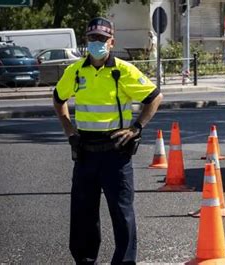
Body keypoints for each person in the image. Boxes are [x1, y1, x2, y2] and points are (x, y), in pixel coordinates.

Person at [53, 17, 163, 264]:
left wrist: (136, 128)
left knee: (122, 213)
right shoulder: (76, 71)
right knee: (83, 214)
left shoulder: (123, 70)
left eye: (102, 39)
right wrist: (69, 129)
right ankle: (85, 260)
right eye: (92, 38)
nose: (96, 43)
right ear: (86, 40)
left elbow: (154, 97)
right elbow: (58, 98)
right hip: (85, 152)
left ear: (111, 42)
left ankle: (124, 261)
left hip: (116, 152)